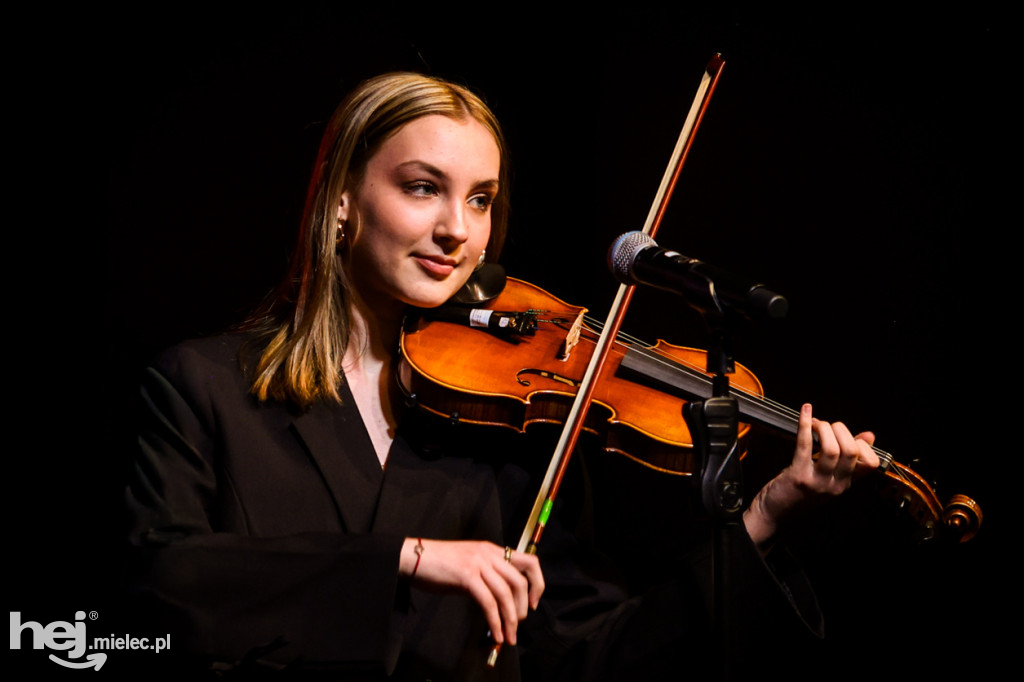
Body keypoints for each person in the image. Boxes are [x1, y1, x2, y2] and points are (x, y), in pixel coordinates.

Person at [126, 72, 879, 680]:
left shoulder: (514, 434)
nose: (457, 229)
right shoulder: (205, 386)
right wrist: (406, 559)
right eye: (423, 187)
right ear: (342, 201)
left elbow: (595, 657)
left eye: (480, 199)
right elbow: (159, 585)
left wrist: (764, 517)